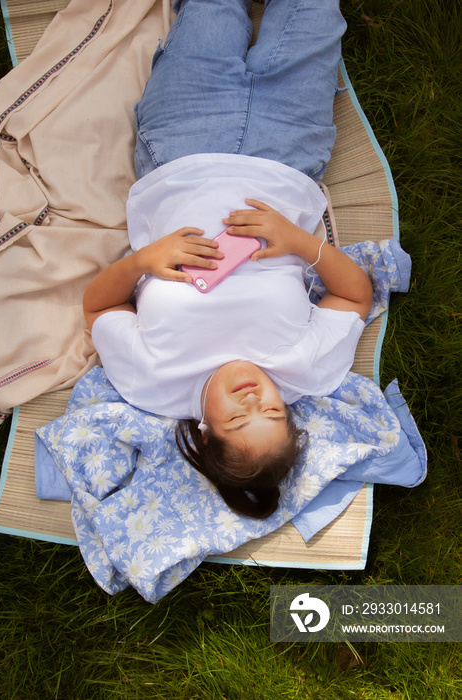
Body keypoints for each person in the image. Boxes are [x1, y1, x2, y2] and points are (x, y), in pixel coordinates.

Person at [83, 0, 373, 519]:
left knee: (213, 7)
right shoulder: (306, 368)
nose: (253, 399)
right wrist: (303, 244)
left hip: (180, 146)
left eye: (238, 421)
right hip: (288, 150)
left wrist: (146, 260)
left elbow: (96, 309)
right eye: (272, 412)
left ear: (204, 430)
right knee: (315, 10)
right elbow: (354, 294)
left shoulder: (153, 381)